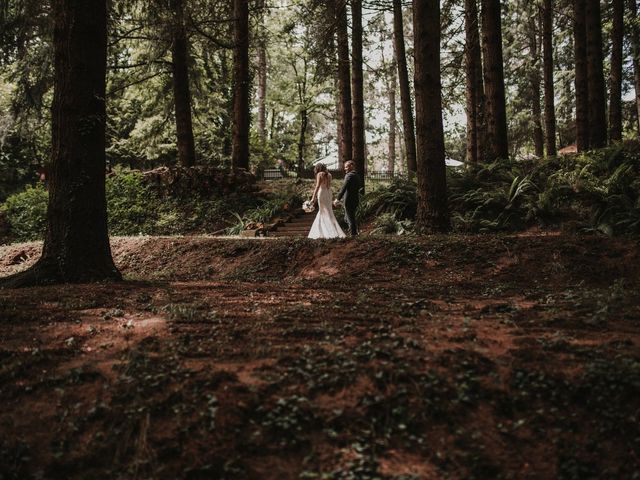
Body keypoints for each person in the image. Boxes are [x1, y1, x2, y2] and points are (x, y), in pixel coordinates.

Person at [308, 163, 346, 239]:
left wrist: (313, 198)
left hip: (322, 193)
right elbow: (328, 186)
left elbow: (318, 186)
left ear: (318, 168)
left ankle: (324, 232)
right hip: (328, 193)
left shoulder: (319, 174)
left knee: (322, 211)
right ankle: (329, 231)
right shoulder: (329, 175)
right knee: (329, 211)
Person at [334, 160, 361, 236]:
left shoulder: (349, 175)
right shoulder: (357, 176)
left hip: (349, 200)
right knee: (350, 217)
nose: (345, 169)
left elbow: (344, 188)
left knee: (350, 218)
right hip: (355, 200)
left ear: (351, 166)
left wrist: (337, 199)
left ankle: (353, 234)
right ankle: (354, 232)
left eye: (346, 167)